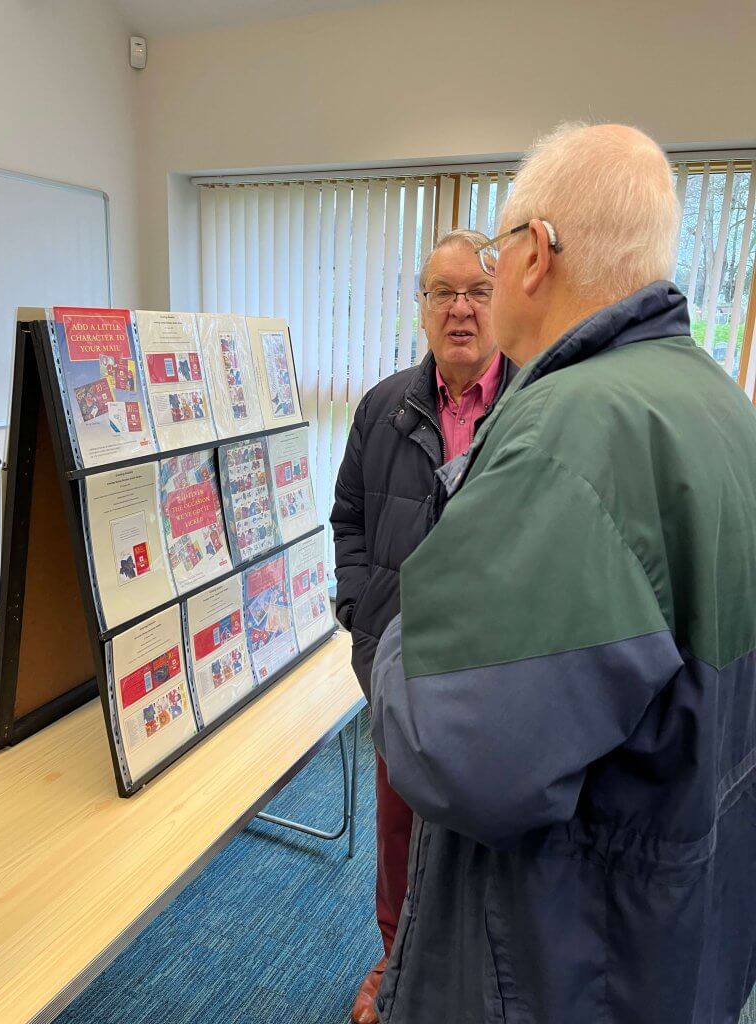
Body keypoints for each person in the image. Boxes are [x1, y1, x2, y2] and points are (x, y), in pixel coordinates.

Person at [371, 123, 756, 1024]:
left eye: (497, 255)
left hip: (565, 953)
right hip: (679, 922)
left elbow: (456, 749)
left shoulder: (572, 430)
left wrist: (399, 633)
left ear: (535, 254)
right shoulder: (717, 404)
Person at [331, 229, 516, 1024]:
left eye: (477, 291)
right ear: (423, 307)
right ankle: (394, 963)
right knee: (399, 832)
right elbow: (348, 523)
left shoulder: (537, 410)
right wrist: (361, 618)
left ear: (502, 300)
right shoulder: (382, 410)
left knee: (490, 842)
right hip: (401, 671)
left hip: (499, 676)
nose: (462, 310)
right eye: (443, 293)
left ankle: (476, 987)